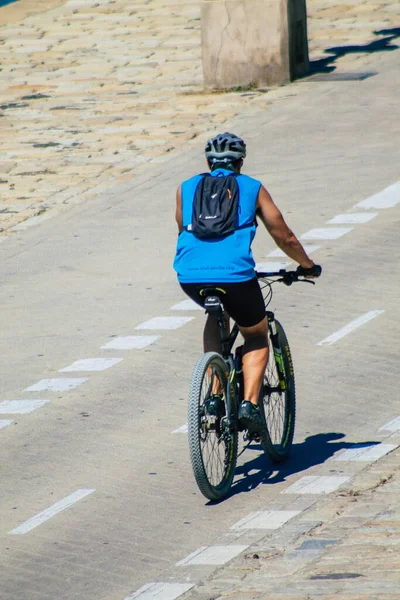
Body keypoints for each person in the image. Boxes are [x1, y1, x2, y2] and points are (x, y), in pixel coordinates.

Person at [173, 132, 321, 433]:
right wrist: (307, 266)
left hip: (189, 275)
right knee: (254, 333)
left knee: (217, 315)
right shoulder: (252, 187)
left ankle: (214, 393)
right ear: (240, 161)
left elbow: (181, 230)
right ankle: (250, 404)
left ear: (208, 161)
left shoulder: (185, 188)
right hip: (236, 276)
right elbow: (284, 236)